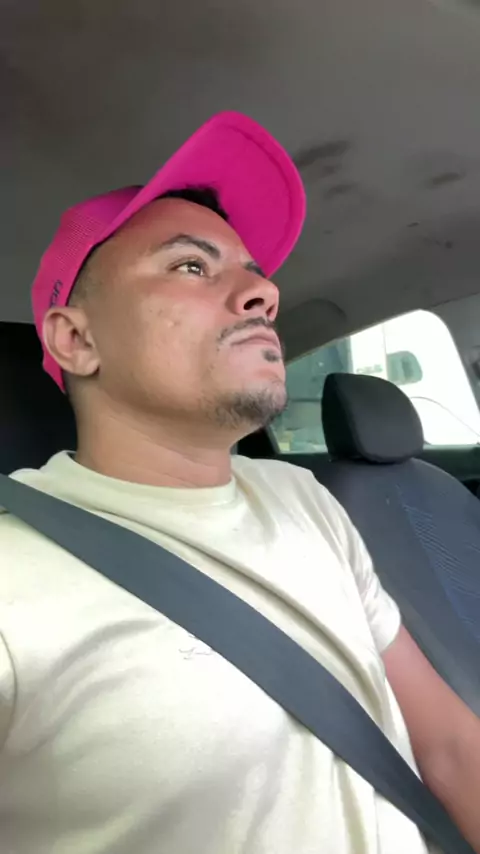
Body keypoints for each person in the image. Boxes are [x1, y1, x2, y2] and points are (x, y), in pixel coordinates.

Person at [0, 112, 479, 854]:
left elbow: (447, 746)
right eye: (191, 267)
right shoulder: (15, 576)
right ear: (77, 339)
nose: (264, 293)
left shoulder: (306, 499)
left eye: (254, 273)